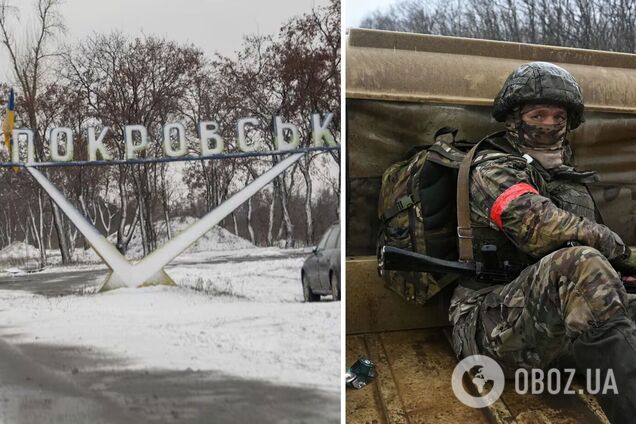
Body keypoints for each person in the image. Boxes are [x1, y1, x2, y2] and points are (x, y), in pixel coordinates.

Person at [449, 61, 636, 422]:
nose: (549, 124)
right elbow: (542, 228)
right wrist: (624, 253)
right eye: (538, 114)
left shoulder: (566, 177)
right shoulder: (492, 169)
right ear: (514, 119)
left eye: (557, 116)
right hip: (489, 323)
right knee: (581, 264)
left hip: (554, 325)